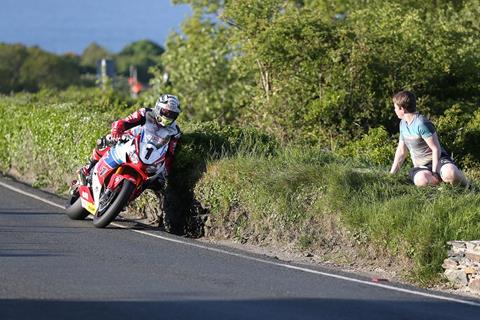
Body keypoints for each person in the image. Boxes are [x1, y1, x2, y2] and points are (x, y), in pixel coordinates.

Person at [79, 94, 182, 190]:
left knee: (159, 183)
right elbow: (127, 121)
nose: (168, 116)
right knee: (107, 140)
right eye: (166, 112)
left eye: (172, 114)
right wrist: (118, 128)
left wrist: (165, 171)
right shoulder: (145, 113)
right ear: (158, 108)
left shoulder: (175, 131)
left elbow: (170, 153)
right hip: (132, 137)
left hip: (149, 155)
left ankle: (129, 195)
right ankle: (89, 167)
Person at [389, 90, 468, 187]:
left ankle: (469, 187)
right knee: (422, 180)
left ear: (402, 109)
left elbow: (436, 149)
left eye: (395, 108)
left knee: (450, 173)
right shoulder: (402, 124)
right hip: (421, 166)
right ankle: (444, 188)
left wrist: (434, 171)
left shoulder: (422, 124)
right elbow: (401, 151)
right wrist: (391, 175)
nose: (394, 110)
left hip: (439, 160)